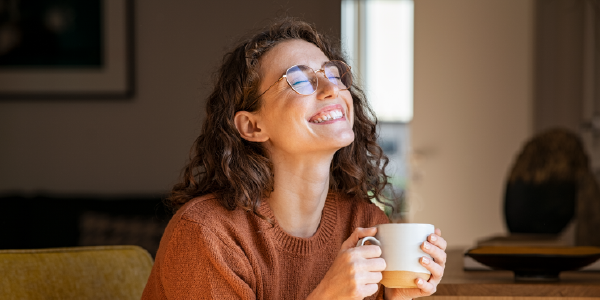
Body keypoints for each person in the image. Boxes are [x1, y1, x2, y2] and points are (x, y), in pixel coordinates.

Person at [142, 18, 447, 300]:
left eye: (333, 73)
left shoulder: (364, 224)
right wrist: (328, 295)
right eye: (299, 80)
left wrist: (398, 298)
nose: (331, 89)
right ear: (253, 126)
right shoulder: (208, 235)